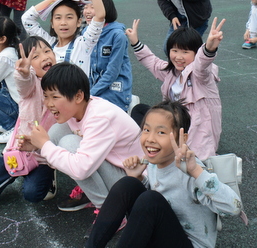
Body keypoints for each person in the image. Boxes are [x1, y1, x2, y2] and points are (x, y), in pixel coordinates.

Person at [85, 101, 242, 248]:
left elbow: (233, 208)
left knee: (150, 200)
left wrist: (196, 172)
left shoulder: (190, 171)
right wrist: (138, 178)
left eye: (161, 132)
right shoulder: (155, 163)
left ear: (182, 139)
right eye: (146, 130)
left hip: (189, 243)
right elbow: (163, 199)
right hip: (161, 234)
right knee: (128, 184)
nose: (150, 139)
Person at [26, 62, 143, 226]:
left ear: (78, 96)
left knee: (69, 144)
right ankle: (93, 191)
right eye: (46, 96)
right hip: (116, 167)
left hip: (135, 181)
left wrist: (45, 145)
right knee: (57, 131)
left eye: (55, 97)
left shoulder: (99, 117)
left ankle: (110, 213)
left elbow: (80, 169)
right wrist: (36, 146)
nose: (49, 103)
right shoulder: (78, 109)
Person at [0, 37, 59, 209]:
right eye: (35, 56)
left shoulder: (63, 83)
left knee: (32, 193)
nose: (45, 57)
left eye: (47, 51)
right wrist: (23, 73)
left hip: (44, 156)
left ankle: (49, 175)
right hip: (18, 150)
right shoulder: (31, 84)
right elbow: (24, 83)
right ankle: (25, 171)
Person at [126, 17, 225, 161]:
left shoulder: (201, 76)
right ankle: (156, 145)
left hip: (194, 130)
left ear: (196, 53)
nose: (178, 57)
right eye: (175, 50)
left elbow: (202, 65)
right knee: (139, 110)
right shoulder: (172, 72)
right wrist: (135, 42)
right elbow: (152, 62)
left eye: (185, 52)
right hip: (174, 123)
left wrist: (209, 49)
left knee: (184, 158)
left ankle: (160, 150)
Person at [22, 0, 104, 77]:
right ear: (52, 23)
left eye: (69, 17)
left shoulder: (83, 43)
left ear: (79, 22)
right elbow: (27, 19)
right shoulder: (48, 44)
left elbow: (100, 15)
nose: (63, 23)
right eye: (58, 18)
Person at [83, 0, 133, 112]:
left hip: (114, 91)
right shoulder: (86, 32)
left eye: (92, 7)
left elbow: (112, 72)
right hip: (92, 88)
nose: (87, 11)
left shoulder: (118, 35)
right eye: (85, 7)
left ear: (104, 9)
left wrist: (90, 94)